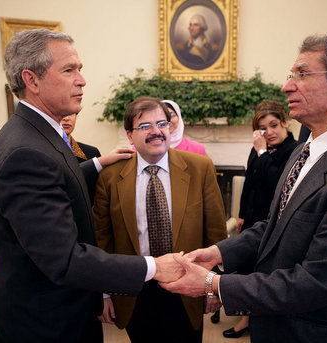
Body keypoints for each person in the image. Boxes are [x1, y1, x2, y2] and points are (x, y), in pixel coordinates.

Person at [161, 34, 327, 343]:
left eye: (302, 75)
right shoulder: (304, 149)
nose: (287, 86)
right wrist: (218, 253)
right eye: (292, 76)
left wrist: (213, 284)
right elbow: (276, 227)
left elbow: (318, 281)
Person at [0, 29, 182, 342]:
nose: (82, 80)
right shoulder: (25, 153)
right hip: (47, 325)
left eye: (80, 69)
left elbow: (60, 181)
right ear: (32, 80)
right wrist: (154, 267)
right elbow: (66, 259)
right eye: (69, 70)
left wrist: (99, 164)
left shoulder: (39, 135)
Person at [92, 96, 227, 342]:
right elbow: (102, 239)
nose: (156, 132)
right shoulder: (110, 177)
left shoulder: (199, 168)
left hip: (188, 285)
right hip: (135, 289)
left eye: (162, 124)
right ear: (130, 136)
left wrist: (213, 285)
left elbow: (216, 233)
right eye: (145, 126)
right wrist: (103, 294)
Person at [222, 100, 298, 339]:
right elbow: (250, 184)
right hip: (253, 217)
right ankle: (247, 315)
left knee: (263, 269)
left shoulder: (295, 150)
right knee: (247, 266)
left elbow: (277, 183)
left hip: (274, 220)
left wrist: (263, 152)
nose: (269, 132)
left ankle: (250, 318)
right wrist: (242, 215)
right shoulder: (258, 149)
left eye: (274, 125)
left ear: (285, 122)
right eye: (263, 128)